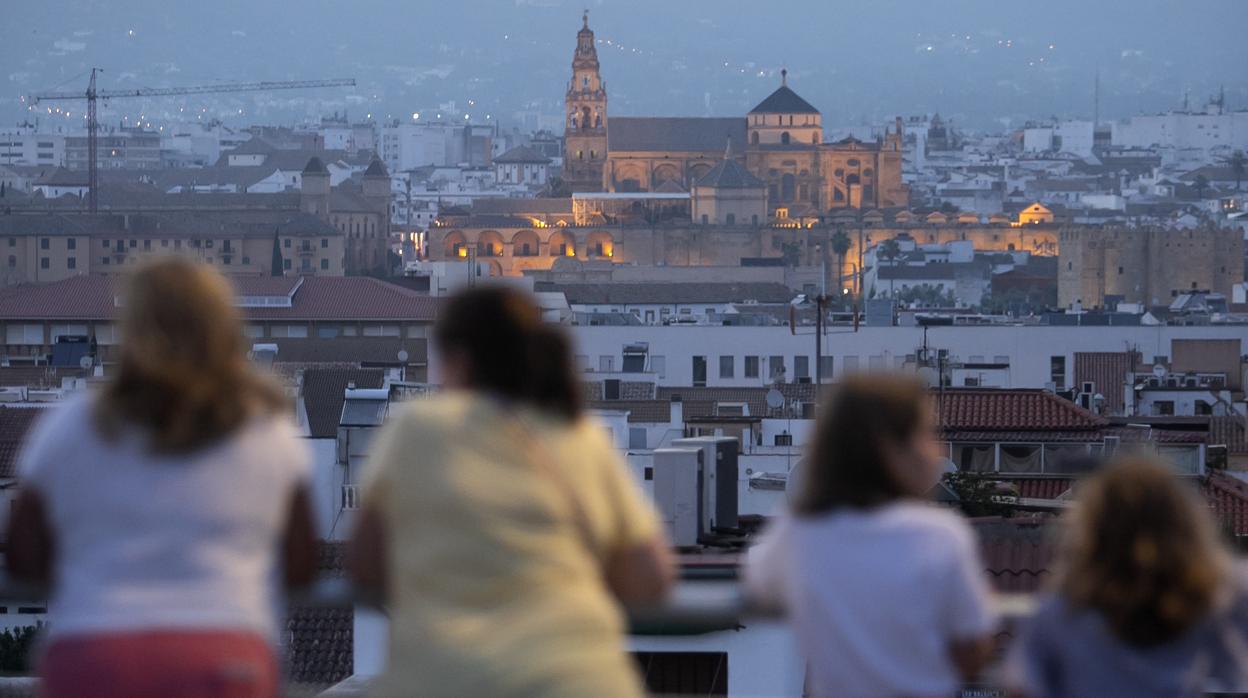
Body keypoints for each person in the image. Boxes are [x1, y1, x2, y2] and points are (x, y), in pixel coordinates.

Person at [6, 259, 318, 698]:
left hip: (94, 653)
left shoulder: (72, 424)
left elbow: (22, 554)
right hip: (222, 655)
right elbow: (300, 564)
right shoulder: (266, 430)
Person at [350, 286, 673, 698]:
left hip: (447, 679)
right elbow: (649, 579)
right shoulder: (581, 437)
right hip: (579, 680)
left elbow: (367, 564)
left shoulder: (418, 429)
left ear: (460, 362)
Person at [745, 373, 996, 697]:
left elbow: (759, 587)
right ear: (892, 450)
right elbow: (972, 650)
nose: (936, 448)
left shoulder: (799, 533)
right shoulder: (940, 535)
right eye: (924, 435)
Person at [1004, 458, 1248, 697]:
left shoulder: (1059, 614)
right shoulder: (1210, 606)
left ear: (1091, 530)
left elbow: (1022, 687)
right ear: (1184, 527)